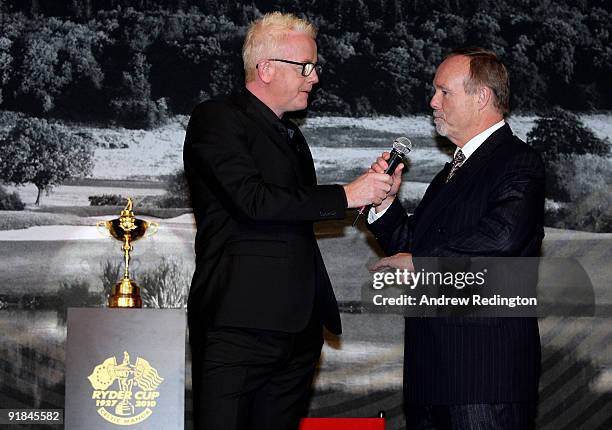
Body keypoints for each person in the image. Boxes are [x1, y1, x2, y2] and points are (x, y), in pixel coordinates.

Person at [183, 12, 393, 430]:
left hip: (297, 333)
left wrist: (371, 189)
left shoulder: (292, 136)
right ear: (265, 69)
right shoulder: (217, 118)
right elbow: (253, 201)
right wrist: (349, 194)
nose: (314, 78)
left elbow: (292, 213)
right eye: (306, 67)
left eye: (315, 67)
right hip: (239, 325)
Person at [367, 48, 545, 429]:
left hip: (484, 374)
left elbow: (502, 237)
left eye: (443, 92)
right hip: (430, 375)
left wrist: (418, 263)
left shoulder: (518, 161)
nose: (432, 102)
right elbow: (415, 243)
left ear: (481, 97)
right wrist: (384, 205)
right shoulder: (451, 171)